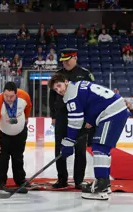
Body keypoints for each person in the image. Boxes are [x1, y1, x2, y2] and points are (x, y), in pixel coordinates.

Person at [48, 73, 130, 200]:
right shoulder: (78, 86)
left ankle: (100, 186)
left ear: (66, 81)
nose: (59, 90)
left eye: (59, 85)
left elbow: (76, 121)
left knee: (99, 148)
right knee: (103, 149)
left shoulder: (71, 94)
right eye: (56, 89)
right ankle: (104, 184)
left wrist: (68, 142)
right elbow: (92, 101)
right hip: (116, 109)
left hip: (111, 112)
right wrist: (91, 120)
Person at [49, 48, 95, 189]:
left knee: (80, 150)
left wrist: (90, 117)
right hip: (62, 116)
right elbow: (52, 97)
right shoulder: (58, 75)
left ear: (75, 58)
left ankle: (79, 180)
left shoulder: (85, 74)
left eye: (68, 60)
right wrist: (53, 115)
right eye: (63, 61)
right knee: (60, 149)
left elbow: (91, 96)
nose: (65, 63)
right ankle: (62, 179)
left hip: (80, 116)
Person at [0, 82, 32, 188]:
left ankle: (20, 180)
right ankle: (1, 181)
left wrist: (26, 118)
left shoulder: (24, 96)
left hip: (20, 133)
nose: (8, 99)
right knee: (2, 159)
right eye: (6, 96)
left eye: (11, 96)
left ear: (16, 94)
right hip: (3, 134)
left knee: (18, 158)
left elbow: (29, 106)